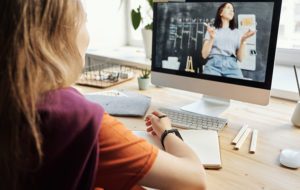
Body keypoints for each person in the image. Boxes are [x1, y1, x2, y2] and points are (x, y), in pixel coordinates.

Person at [0, 0, 206, 190]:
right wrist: (167, 133)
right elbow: (195, 180)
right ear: (60, 34)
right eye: (84, 22)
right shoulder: (78, 119)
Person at [201, 2, 256, 78]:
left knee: (239, 88)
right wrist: (212, 38)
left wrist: (243, 40)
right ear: (221, 12)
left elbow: (240, 58)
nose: (231, 11)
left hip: (232, 66)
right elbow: (204, 55)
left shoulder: (238, 33)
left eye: (233, 10)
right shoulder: (212, 30)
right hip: (213, 65)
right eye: (228, 8)